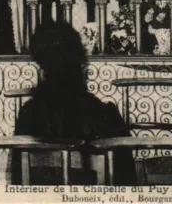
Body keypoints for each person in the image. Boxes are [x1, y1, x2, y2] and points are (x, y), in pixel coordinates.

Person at [11, 21, 135, 185]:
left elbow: (17, 179)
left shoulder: (28, 114)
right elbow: (127, 180)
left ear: (42, 71)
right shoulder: (105, 115)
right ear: (81, 69)